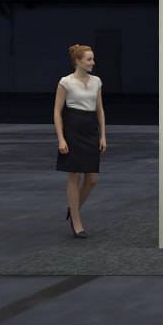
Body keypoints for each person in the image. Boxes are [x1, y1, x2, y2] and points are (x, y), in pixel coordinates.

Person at [53, 44, 106, 238]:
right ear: (77, 61)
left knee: (92, 179)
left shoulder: (96, 81)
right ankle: (76, 222)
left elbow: (100, 109)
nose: (93, 62)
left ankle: (73, 208)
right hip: (73, 130)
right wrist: (61, 138)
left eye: (93, 59)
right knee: (74, 176)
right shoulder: (65, 82)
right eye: (89, 59)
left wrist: (103, 135)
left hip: (91, 130)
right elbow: (57, 111)